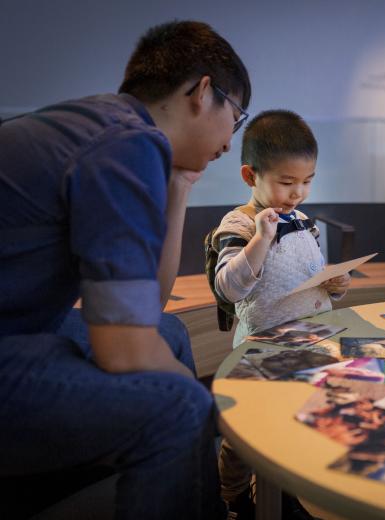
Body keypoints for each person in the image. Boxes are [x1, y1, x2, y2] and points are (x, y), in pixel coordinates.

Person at [0, 20, 250, 519]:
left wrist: (179, 187)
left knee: (170, 331)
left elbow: (145, 312)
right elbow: (125, 350)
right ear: (203, 92)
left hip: (20, 326)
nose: (228, 143)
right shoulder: (124, 146)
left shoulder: (106, 126)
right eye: (237, 117)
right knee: (184, 409)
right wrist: (214, 408)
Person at [213, 110, 350, 515]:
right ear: (250, 175)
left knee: (302, 418)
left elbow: (311, 274)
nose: (298, 194)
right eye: (287, 183)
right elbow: (228, 287)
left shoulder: (304, 221)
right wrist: (261, 237)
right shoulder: (239, 225)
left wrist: (336, 284)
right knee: (246, 434)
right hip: (261, 351)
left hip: (311, 343)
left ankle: (291, 490)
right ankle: (233, 496)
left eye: (307, 181)